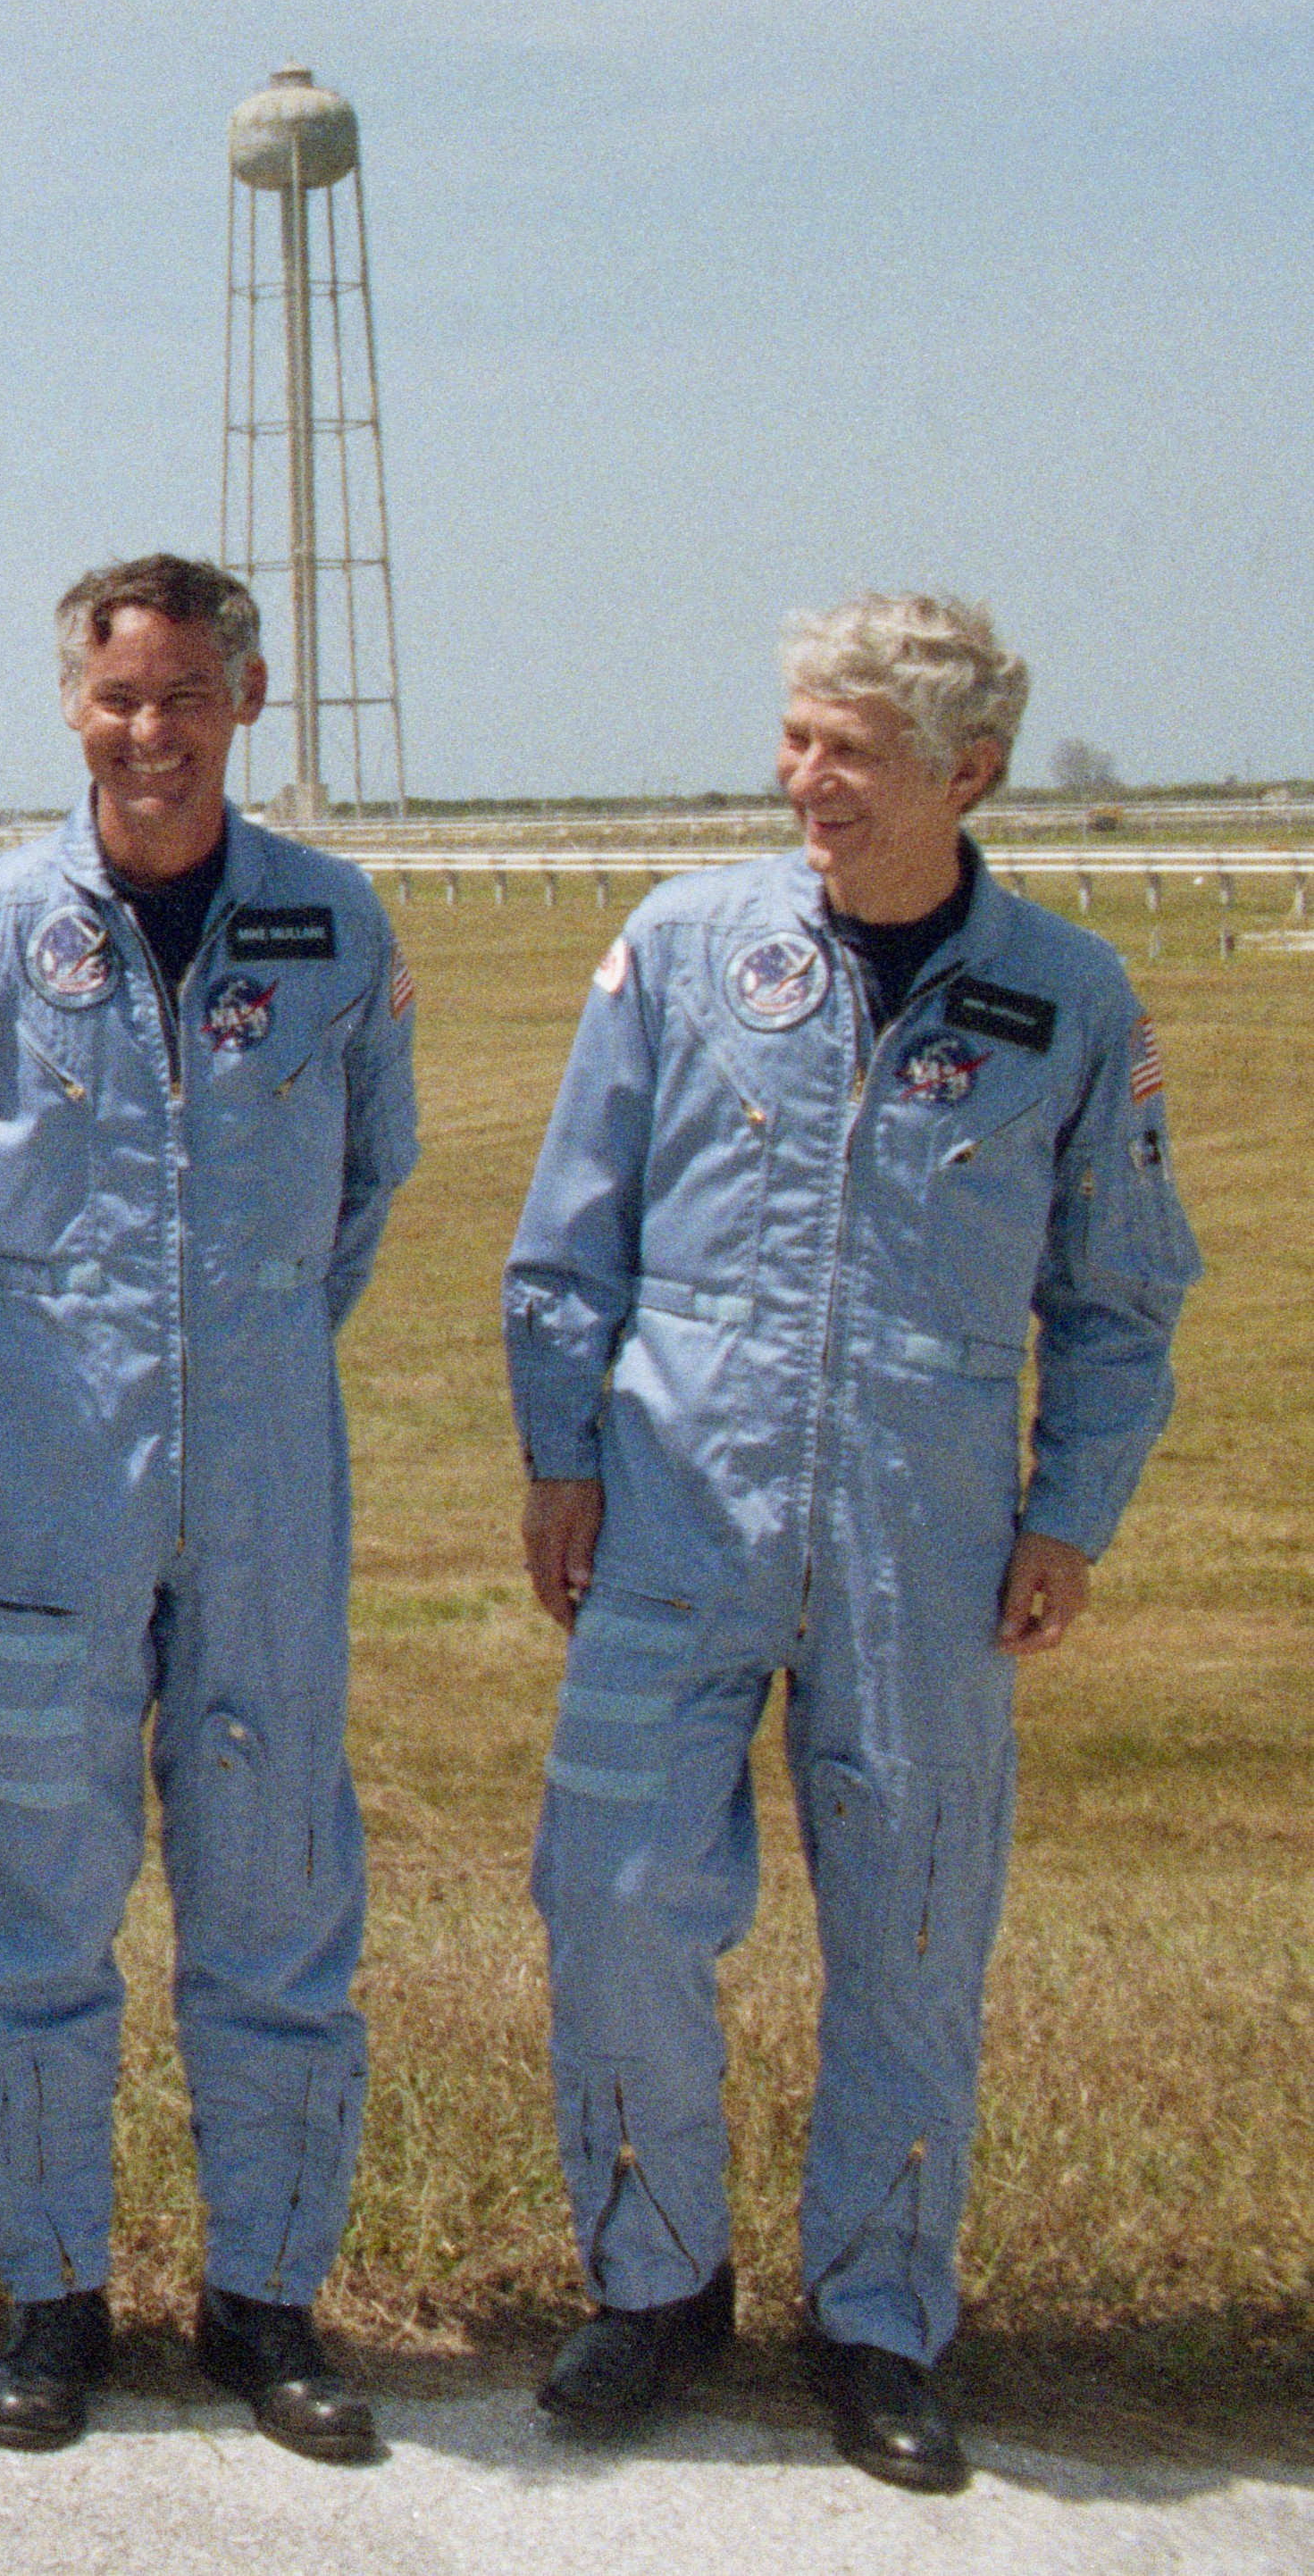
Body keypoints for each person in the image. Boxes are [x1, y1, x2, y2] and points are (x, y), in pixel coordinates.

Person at [506, 592, 1196, 2495]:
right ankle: (656, 2282)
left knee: (909, 1924)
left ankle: (883, 2317)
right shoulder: (686, 948)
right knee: (613, 1887)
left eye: (851, 748)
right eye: (797, 736)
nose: (806, 776)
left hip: (933, 1533)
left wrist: (1072, 1511)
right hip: (674, 1504)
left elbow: (1124, 1293)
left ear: (965, 772)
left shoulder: (1071, 994)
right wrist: (561, 1455)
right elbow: (573, 1232)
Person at [0, 551, 417, 2462]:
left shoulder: (335, 926)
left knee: (276, 1888)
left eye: (189, 690)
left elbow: (364, 1190)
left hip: (270, 1470)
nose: (154, 728)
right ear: (72, 706)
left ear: (246, 700)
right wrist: (84, 1362)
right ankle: (51, 2293)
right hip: (51, 1469)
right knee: (34, 1891)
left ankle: (264, 2298)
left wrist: (239, 1350)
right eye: (121, 695)